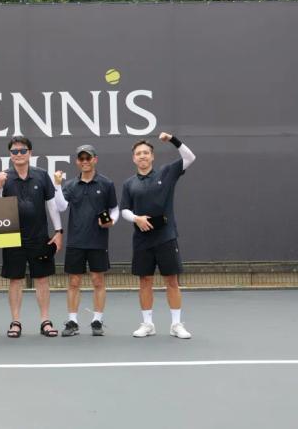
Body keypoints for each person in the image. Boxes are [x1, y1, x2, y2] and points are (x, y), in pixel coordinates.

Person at [120, 132, 196, 339]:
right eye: (138, 153)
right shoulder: (129, 184)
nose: (142, 156)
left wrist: (172, 139)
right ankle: (147, 324)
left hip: (166, 237)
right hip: (142, 240)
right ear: (134, 158)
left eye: (146, 153)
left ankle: (176, 325)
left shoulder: (167, 173)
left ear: (152, 156)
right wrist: (136, 218)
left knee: (171, 280)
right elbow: (124, 210)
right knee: (145, 281)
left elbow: (190, 157)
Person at [0, 136, 63, 338]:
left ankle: (45, 321)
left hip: (39, 237)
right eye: (14, 151)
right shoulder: (4, 177)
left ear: (30, 153)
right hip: (12, 238)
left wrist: (58, 231)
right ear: (10, 155)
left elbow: (51, 205)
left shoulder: (41, 175)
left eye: (23, 150)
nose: (19, 154)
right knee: (15, 280)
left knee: (42, 279)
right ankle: (15, 322)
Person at [54, 144, 119, 337]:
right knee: (74, 282)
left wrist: (111, 221)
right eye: (81, 158)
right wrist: (57, 185)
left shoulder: (106, 184)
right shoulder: (70, 185)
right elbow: (61, 207)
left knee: (98, 281)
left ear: (94, 160)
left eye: (88, 158)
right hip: (76, 241)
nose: (85, 161)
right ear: (77, 162)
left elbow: (114, 209)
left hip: (98, 241)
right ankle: (72, 321)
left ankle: (97, 320)